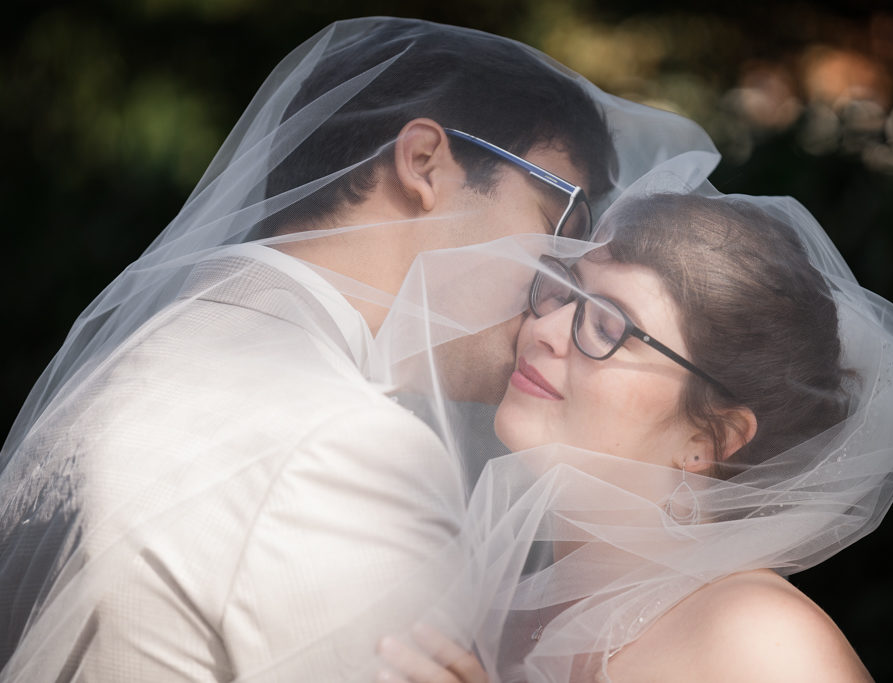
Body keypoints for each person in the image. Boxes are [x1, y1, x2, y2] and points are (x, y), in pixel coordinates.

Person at [0, 18, 723, 682]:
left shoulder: (144, 359)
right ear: (424, 162)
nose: (556, 287)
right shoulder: (344, 446)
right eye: (554, 219)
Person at [372, 165, 893, 681]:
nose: (542, 330)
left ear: (708, 438)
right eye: (563, 291)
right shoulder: (501, 607)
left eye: (609, 325)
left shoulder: (759, 641)